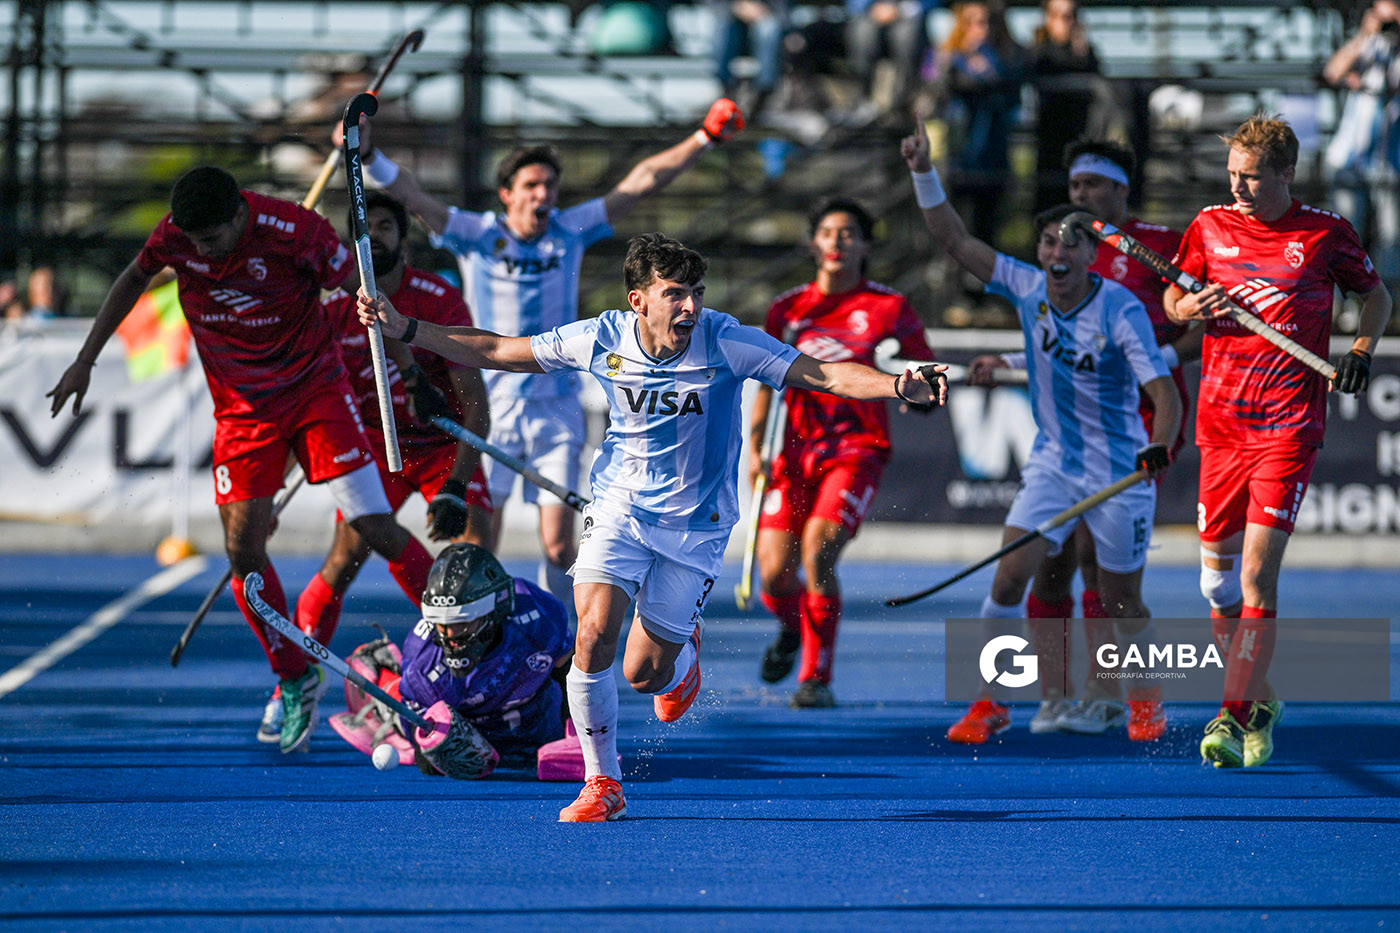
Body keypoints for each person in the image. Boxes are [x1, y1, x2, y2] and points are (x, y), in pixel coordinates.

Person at [358, 231, 947, 820]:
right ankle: (602, 783)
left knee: (643, 673)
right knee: (590, 635)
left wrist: (898, 384)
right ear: (639, 300)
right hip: (619, 509)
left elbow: (823, 374)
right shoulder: (601, 337)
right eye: (675, 294)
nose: (690, 306)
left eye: (696, 292)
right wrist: (405, 328)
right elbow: (496, 349)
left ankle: (681, 661)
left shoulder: (726, 340)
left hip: (696, 525)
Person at [46, 165, 437, 756]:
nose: (200, 250)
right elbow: (134, 277)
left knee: (373, 527)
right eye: (192, 241)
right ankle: (294, 674)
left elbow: (365, 297)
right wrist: (86, 359)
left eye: (212, 239)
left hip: (315, 394)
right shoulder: (176, 234)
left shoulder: (294, 230)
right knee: (241, 550)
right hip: (242, 413)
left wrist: (364, 267)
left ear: (239, 215)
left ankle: (465, 636)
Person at [348, 98, 745, 613]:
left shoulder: (567, 230)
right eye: (532, 186)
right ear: (507, 194)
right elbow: (412, 195)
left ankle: (565, 648)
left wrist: (705, 138)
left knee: (560, 547)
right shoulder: (476, 233)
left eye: (550, 187)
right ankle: (483, 642)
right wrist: (369, 154)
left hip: (556, 407)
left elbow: (642, 180)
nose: (543, 196)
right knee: (476, 544)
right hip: (492, 409)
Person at [899, 113, 1182, 746]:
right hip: (1054, 463)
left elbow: (1162, 392)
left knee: (1120, 602)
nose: (1057, 253)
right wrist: (924, 172)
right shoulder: (1027, 286)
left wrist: (1159, 443)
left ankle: (1143, 697)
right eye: (1049, 242)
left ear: (1091, 255)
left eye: (1071, 245)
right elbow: (955, 241)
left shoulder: (1121, 307)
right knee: (1008, 577)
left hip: (1121, 467)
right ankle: (990, 701)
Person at [1164, 115, 1391, 768]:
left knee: (1258, 573)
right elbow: (1173, 297)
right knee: (1216, 587)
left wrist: (1360, 349)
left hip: (1288, 426)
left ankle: (1230, 716)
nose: (1238, 187)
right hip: (1220, 425)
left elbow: (1376, 296)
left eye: (1253, 176)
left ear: (1286, 173)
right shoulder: (1208, 226)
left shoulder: (1324, 233)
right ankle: (1259, 695)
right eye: (1232, 174)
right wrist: (1188, 309)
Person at [969, 137, 1201, 740]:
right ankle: (1049, 697)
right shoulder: (1056, 261)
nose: (1081, 197)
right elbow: (1067, 347)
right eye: (1074, 188)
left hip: (1140, 425)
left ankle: (1109, 694)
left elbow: (1204, 320)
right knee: (1047, 569)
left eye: (1093, 186)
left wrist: (1152, 358)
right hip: (1066, 439)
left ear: (1121, 190)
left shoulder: (1165, 247)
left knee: (1104, 575)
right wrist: (1014, 364)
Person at [253, 189, 496, 745]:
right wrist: (268, 496)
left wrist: (457, 485)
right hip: (371, 449)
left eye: (386, 228)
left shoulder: (438, 299)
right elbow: (304, 404)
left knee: (473, 557)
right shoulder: (331, 312)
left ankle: (476, 676)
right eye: (366, 231)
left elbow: (475, 407)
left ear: (403, 240)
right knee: (343, 559)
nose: (375, 239)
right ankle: (294, 680)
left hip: (439, 447)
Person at [752, 197, 937, 708]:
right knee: (773, 574)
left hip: (856, 449)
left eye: (849, 233)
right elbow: (765, 384)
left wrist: (920, 396)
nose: (837, 242)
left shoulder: (890, 308)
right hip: (790, 452)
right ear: (813, 243)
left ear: (866, 245)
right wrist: (754, 448)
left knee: (819, 550)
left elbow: (922, 378)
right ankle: (793, 630)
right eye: (828, 232)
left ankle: (816, 677)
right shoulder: (787, 310)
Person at [328, 543, 579, 779]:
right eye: (441, 624)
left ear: (494, 611)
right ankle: (385, 686)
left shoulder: (538, 615)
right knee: (429, 761)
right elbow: (423, 739)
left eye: (461, 623)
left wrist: (576, 736)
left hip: (537, 725)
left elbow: (568, 668)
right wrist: (430, 744)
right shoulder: (423, 661)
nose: (450, 636)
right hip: (472, 731)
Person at [924, 0, 1023, 245]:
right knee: (955, 234)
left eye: (986, 22)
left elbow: (1012, 95)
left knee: (987, 232)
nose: (982, 29)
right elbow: (939, 90)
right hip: (959, 158)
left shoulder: (1005, 61)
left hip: (993, 160)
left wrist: (987, 60)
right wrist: (967, 65)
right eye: (973, 22)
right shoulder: (948, 59)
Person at [1322, 0, 1400, 283]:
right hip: (1350, 157)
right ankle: (1342, 303)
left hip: (1392, 160)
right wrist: (1367, 33)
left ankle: (1386, 304)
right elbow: (1333, 71)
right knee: (1344, 232)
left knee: (1392, 237)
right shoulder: (1369, 45)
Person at [1028, 0, 1110, 213]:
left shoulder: (1085, 51)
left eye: (1071, 15)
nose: (1067, 22)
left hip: (1081, 139)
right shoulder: (1040, 51)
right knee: (1049, 204)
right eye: (1060, 15)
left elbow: (1098, 81)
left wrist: (1080, 50)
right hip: (1050, 142)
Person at [843, 0, 936, 123]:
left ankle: (903, 103)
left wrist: (901, 9)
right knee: (861, 33)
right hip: (872, 12)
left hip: (910, 15)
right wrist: (871, 7)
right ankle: (863, 99)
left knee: (905, 37)